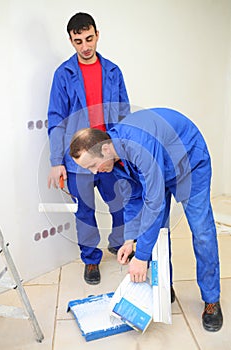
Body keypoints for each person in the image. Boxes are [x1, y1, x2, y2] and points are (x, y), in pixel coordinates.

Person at [69, 107, 223, 332]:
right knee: (158, 232)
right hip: (161, 167)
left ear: (104, 148)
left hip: (189, 163)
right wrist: (130, 239)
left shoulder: (139, 146)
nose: (94, 172)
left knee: (201, 231)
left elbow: (154, 202)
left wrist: (141, 257)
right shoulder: (113, 158)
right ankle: (164, 286)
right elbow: (133, 198)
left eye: (93, 165)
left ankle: (211, 300)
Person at [47, 12, 130, 285]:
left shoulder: (113, 72)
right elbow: (56, 119)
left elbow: (123, 114)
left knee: (119, 204)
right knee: (85, 212)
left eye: (89, 38)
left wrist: (122, 153)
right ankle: (91, 260)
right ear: (71, 41)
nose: (85, 46)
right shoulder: (64, 74)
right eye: (78, 41)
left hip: (108, 156)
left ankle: (119, 244)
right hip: (78, 160)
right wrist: (57, 160)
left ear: (97, 34)